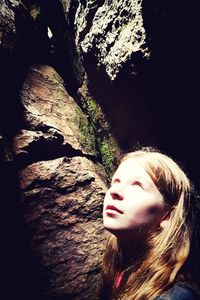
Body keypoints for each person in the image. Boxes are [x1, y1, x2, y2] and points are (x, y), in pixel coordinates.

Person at [100, 147, 200, 300]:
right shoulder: (122, 269)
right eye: (116, 181)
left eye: (137, 185)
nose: (115, 191)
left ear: (168, 216)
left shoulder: (175, 296)